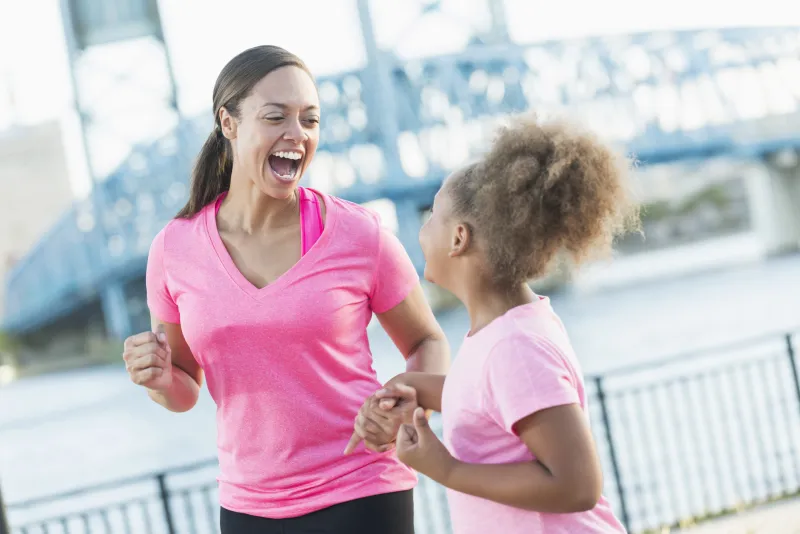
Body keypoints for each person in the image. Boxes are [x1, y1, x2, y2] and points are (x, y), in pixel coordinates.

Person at [121, 45, 450, 534]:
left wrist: (406, 401)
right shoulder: (174, 251)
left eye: (310, 120)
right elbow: (184, 389)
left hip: (362, 486)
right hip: (249, 506)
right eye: (276, 117)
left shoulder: (360, 235)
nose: (296, 135)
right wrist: (155, 377)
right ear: (228, 123)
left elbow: (427, 343)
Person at [352, 114, 640, 533]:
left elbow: (576, 484)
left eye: (432, 214)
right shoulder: (501, 333)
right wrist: (408, 386)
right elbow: (482, 395)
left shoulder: (514, 347)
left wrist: (446, 468)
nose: (422, 228)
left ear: (458, 238)